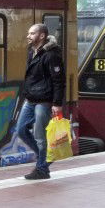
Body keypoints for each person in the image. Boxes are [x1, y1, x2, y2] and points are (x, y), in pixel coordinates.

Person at [15, 23, 65, 180]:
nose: (28, 36)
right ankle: (46, 157)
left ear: (41, 36)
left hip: (44, 101)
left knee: (40, 136)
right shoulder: (32, 52)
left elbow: (59, 81)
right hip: (30, 99)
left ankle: (42, 169)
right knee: (21, 130)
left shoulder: (52, 55)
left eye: (32, 33)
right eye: (28, 33)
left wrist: (57, 103)